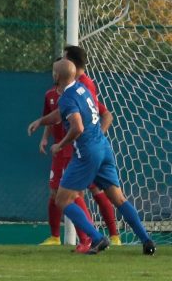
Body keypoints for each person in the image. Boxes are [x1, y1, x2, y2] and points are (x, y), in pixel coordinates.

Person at [28, 59, 156, 255]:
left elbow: (77, 126)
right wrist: (40, 121)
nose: (52, 74)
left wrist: (60, 145)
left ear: (57, 76)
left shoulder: (67, 98)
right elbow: (61, 114)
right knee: (118, 198)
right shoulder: (81, 88)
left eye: (54, 71)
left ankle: (97, 238)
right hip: (103, 147)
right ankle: (147, 241)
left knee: (62, 200)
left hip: (87, 152)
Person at [63, 45, 121, 245]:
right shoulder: (77, 85)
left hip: (87, 149)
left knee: (75, 194)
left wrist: (94, 139)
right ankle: (104, 237)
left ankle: (94, 239)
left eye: (64, 59)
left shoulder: (83, 86)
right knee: (97, 193)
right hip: (86, 147)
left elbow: (96, 117)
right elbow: (101, 112)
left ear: (70, 63)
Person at [37, 78, 95, 253]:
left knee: (74, 194)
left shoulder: (79, 92)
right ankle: (55, 237)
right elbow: (52, 118)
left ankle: (88, 238)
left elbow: (99, 114)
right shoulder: (50, 95)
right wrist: (45, 138)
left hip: (74, 148)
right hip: (59, 150)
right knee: (55, 192)